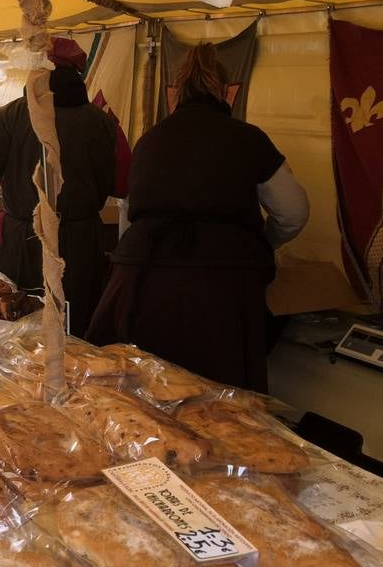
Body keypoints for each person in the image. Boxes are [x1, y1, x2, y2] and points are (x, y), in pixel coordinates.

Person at [86, 43, 309, 391]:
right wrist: (263, 243)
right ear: (226, 93)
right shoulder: (249, 139)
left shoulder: (149, 141)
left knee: (140, 395)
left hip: (141, 280)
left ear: (176, 94)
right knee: (218, 404)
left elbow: (131, 217)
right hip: (221, 288)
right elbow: (294, 212)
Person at [0, 39, 117, 337]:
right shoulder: (102, 122)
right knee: (75, 333)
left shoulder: (13, 116)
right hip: (82, 244)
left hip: (24, 242)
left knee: (13, 329)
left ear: (37, 72)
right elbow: (113, 181)